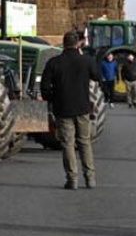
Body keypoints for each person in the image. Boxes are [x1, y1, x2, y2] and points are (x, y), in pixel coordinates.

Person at [41, 31, 102, 190]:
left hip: (63, 109)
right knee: (84, 142)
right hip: (82, 108)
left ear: (63, 43)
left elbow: (44, 88)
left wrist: (53, 98)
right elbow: (97, 77)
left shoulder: (54, 62)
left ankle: (72, 179)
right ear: (77, 44)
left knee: (68, 144)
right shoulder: (86, 61)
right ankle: (90, 178)